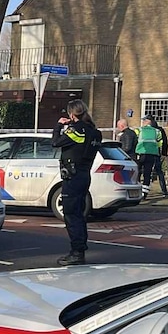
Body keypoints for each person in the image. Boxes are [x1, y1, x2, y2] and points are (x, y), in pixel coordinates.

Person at [52, 100, 102, 266]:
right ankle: (80, 248)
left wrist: (59, 126)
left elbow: (56, 142)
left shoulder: (77, 131)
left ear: (72, 114)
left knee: (71, 214)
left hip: (72, 178)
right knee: (79, 214)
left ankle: (76, 252)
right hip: (84, 175)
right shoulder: (94, 132)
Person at [135, 115, 165, 199]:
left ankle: (136, 190)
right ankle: (144, 193)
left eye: (144, 121)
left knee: (137, 172)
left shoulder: (138, 130)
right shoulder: (157, 131)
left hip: (140, 153)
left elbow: (135, 140)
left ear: (147, 122)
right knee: (147, 174)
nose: (143, 122)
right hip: (152, 154)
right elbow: (160, 143)